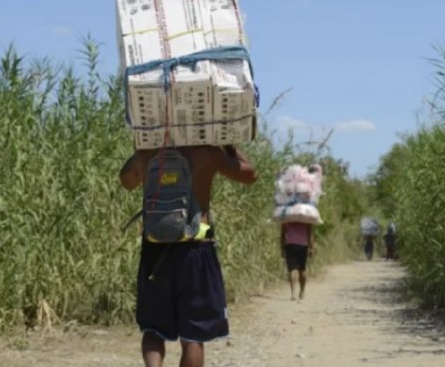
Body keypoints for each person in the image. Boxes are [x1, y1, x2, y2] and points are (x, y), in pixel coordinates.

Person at [120, 145, 257, 367]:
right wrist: (231, 148)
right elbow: (250, 175)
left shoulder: (148, 152)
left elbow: (126, 182)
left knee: (154, 329)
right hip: (196, 249)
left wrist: (139, 149)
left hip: (155, 250)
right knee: (193, 336)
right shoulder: (208, 151)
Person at [280, 222, 315, 301]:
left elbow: (283, 234)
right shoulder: (306, 218)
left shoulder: (287, 218)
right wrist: (312, 248)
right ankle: (302, 291)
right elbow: (310, 233)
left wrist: (282, 248)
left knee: (291, 270)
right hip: (303, 246)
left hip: (290, 246)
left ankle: (293, 293)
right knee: (302, 270)